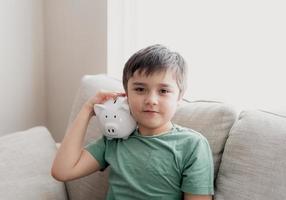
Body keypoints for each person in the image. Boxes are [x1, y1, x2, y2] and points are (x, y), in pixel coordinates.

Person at [51, 44, 214, 200]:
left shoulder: (192, 145)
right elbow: (62, 171)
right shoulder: (114, 141)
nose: (151, 100)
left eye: (163, 91)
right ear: (126, 95)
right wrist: (87, 110)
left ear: (179, 97)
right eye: (140, 89)